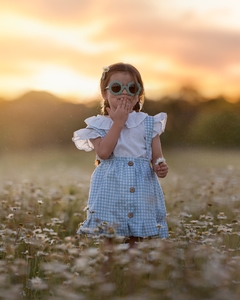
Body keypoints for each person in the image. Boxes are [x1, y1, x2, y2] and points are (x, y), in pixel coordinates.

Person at [72, 62, 169, 246]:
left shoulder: (149, 123)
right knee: (109, 239)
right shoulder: (99, 124)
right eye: (117, 88)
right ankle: (109, 274)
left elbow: (156, 156)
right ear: (104, 94)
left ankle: (130, 274)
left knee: (136, 239)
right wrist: (118, 122)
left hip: (142, 188)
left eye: (131, 88)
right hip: (111, 188)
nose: (125, 93)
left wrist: (160, 166)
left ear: (138, 94)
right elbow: (103, 153)